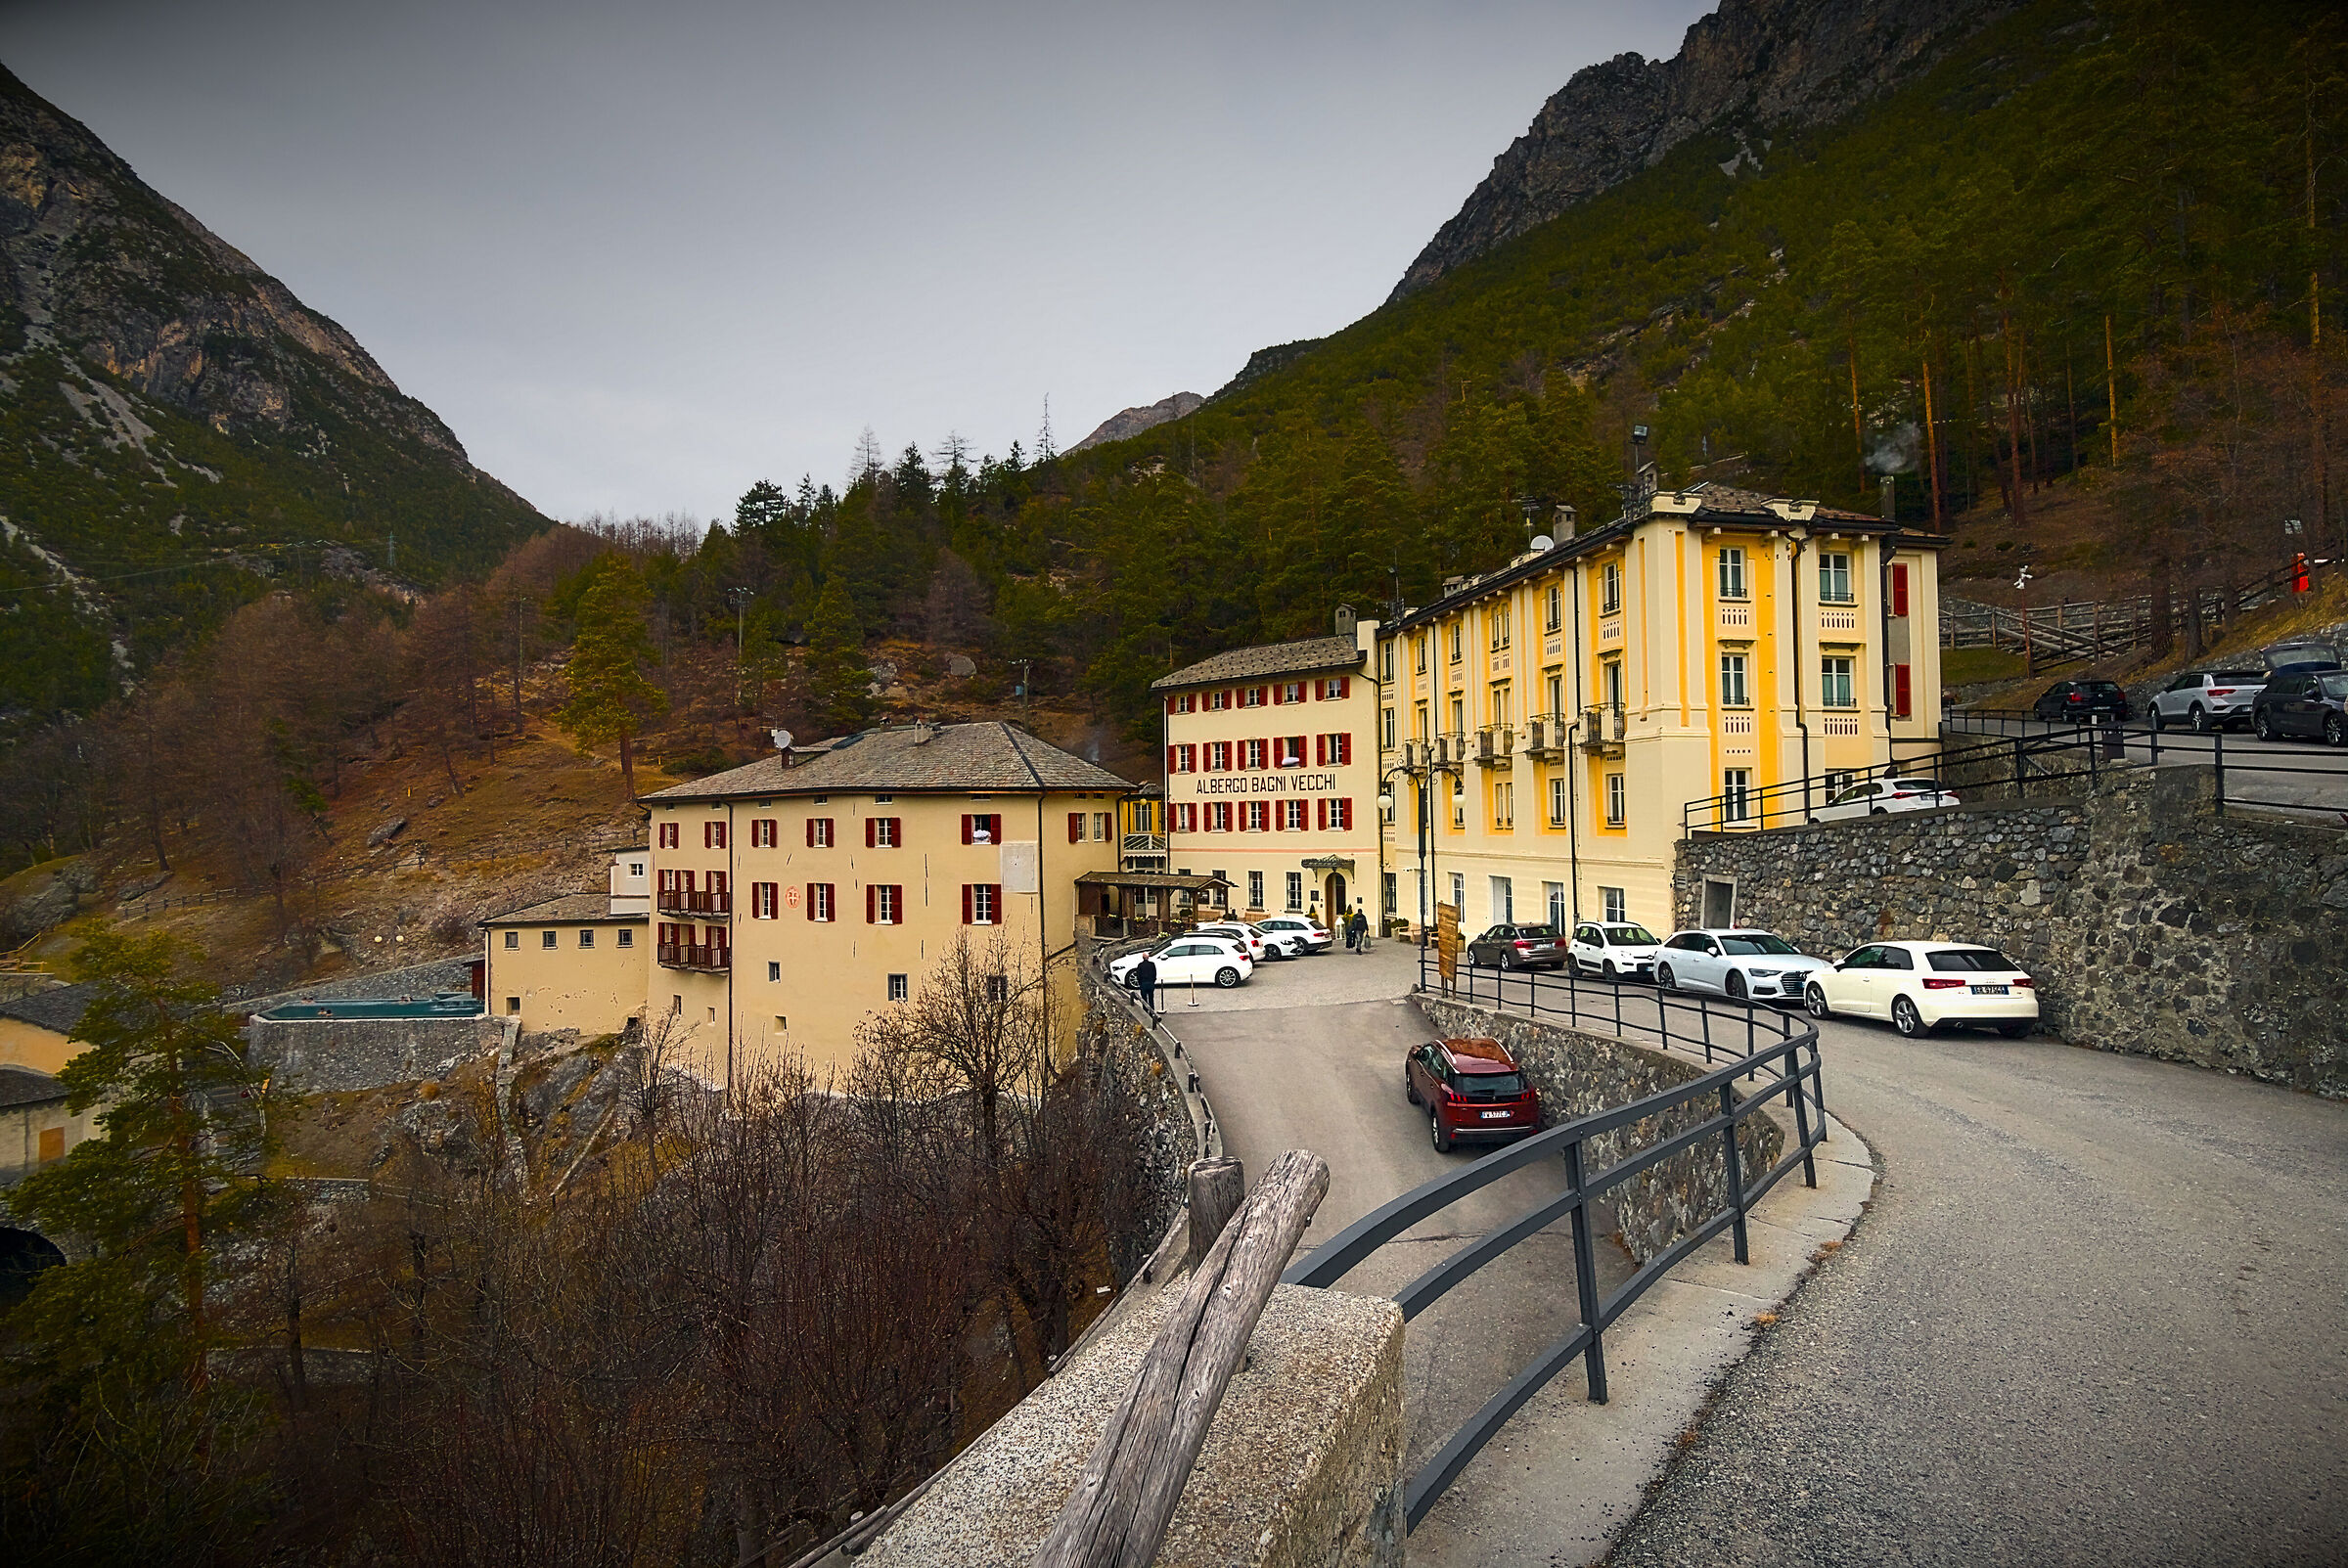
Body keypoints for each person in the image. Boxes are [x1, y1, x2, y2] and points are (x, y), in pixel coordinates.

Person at [1131, 952, 1159, 1017]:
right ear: (1148, 957)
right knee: (1151, 998)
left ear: (1143, 958)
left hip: (1143, 983)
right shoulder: (1152, 964)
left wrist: (1140, 983)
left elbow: (1138, 975)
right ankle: (1152, 1012)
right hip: (1150, 983)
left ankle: (1145, 1011)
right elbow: (1154, 973)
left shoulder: (1140, 965)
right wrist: (1153, 981)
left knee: (1144, 999)